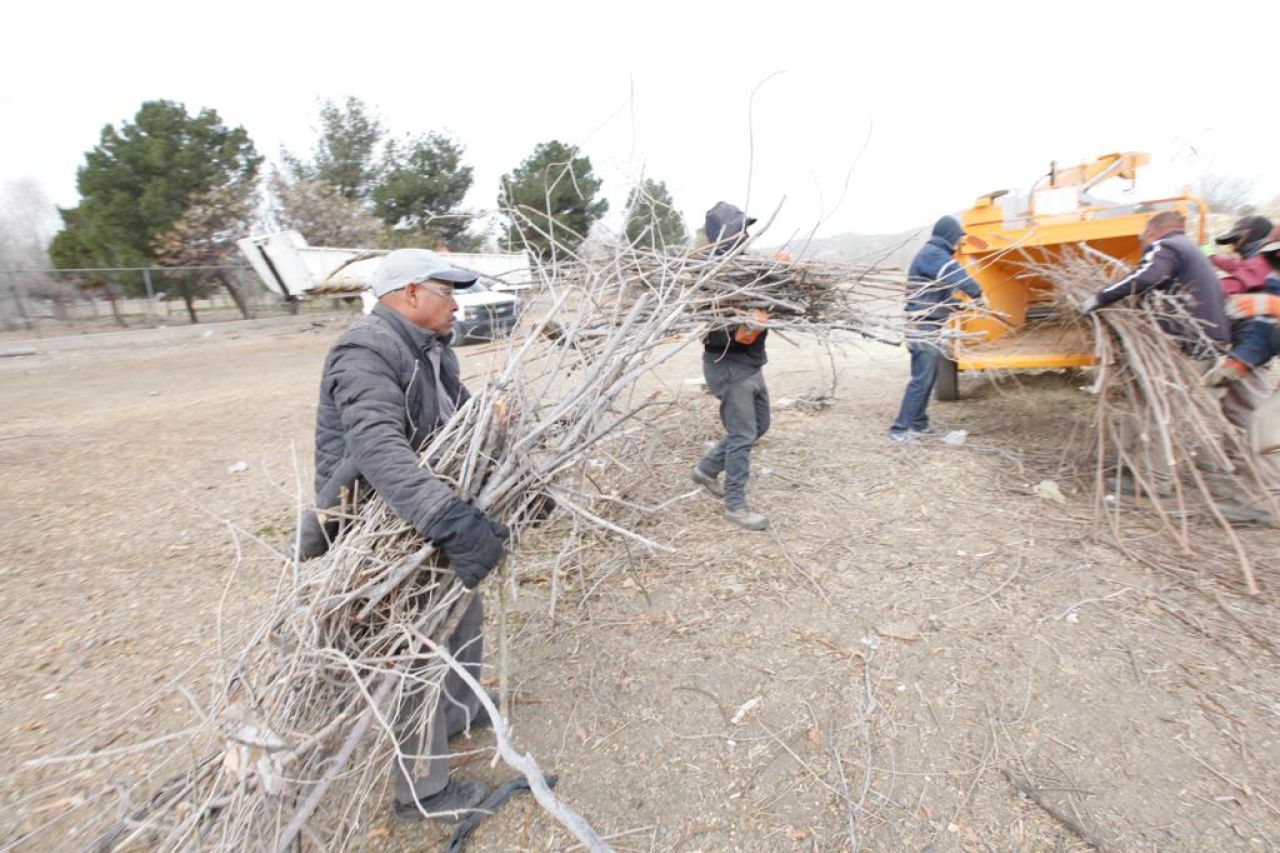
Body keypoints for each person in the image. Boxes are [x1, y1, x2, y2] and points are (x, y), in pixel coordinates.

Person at [300, 248, 509, 820]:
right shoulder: (366, 351)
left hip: (419, 509)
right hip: (381, 521)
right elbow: (378, 449)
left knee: (461, 611)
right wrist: (448, 518)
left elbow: (461, 425)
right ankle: (421, 791)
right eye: (448, 292)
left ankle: (458, 715)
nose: (457, 304)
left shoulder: (434, 352)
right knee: (415, 648)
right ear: (411, 293)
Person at [691, 203, 772, 531]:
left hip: (750, 366)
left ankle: (706, 469)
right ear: (725, 237)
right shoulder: (710, 279)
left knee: (759, 426)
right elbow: (734, 334)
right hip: (728, 366)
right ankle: (735, 506)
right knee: (742, 434)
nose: (746, 236)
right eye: (739, 230)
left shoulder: (741, 271)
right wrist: (751, 326)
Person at [1080, 211, 1229, 358]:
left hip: (1192, 340)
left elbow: (1145, 277)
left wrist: (1100, 297)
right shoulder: (1190, 247)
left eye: (1142, 239)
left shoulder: (1166, 245)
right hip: (1212, 338)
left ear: (1150, 233)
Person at [888, 215, 982, 442]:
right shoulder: (933, 254)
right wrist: (977, 293)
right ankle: (899, 429)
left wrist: (958, 305)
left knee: (928, 377)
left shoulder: (934, 255)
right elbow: (953, 273)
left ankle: (919, 423)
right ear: (949, 235)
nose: (958, 242)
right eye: (957, 237)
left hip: (930, 325)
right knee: (921, 379)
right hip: (922, 326)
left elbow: (937, 295)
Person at [1210, 215, 1274, 297]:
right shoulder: (1266, 261)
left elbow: (1213, 291)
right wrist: (1211, 256)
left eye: (1236, 240)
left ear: (1253, 238)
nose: (1234, 247)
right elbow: (1236, 265)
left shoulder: (1261, 267)